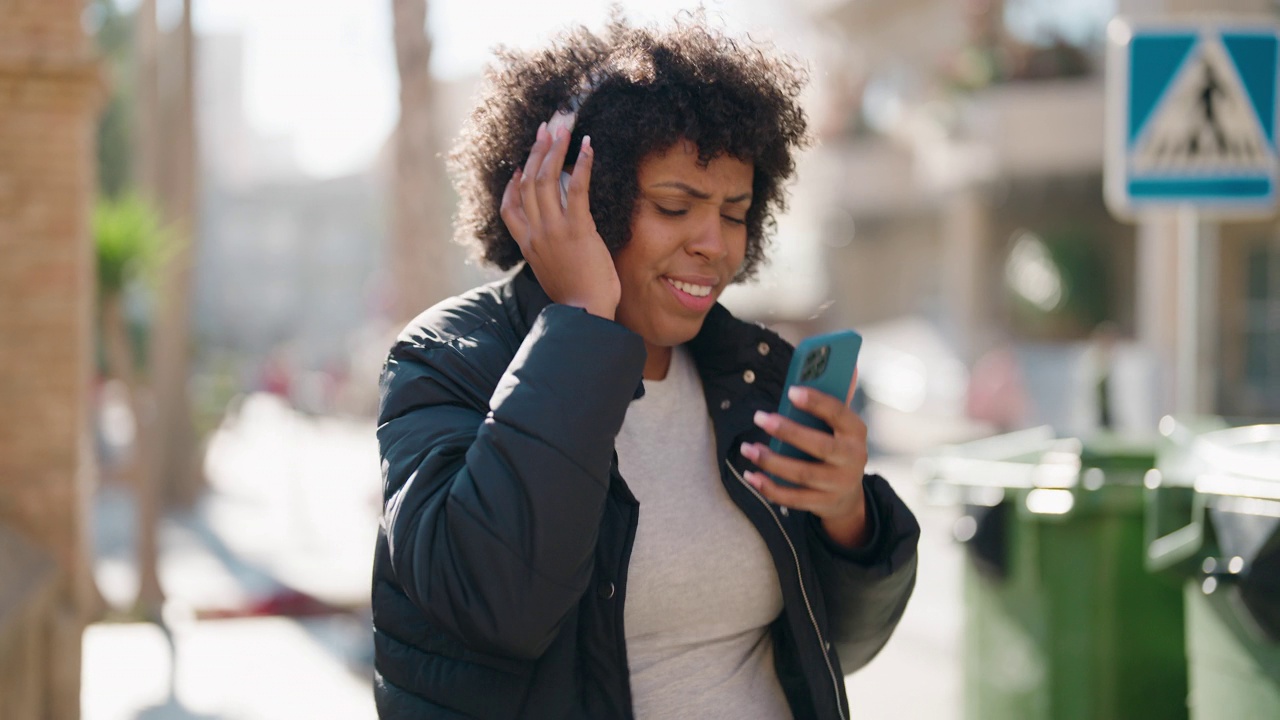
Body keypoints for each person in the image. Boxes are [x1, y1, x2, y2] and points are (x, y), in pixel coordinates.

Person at [372, 13, 919, 719]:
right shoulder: (449, 358)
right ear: (579, 200)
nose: (714, 244)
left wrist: (848, 515)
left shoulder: (751, 372)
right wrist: (581, 322)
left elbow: (836, 645)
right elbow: (497, 604)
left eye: (735, 211)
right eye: (674, 205)